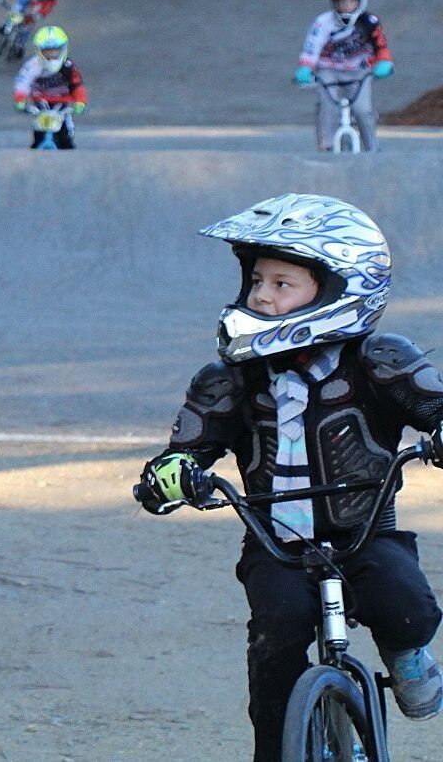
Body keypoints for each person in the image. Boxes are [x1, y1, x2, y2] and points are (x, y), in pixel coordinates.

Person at [136, 193, 443, 762]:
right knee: (276, 636)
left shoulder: (380, 362)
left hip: (364, 533)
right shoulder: (232, 378)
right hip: (276, 545)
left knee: (404, 601)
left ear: (339, 290)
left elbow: (435, 406)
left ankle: (408, 655)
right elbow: (188, 448)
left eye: (283, 284)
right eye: (257, 280)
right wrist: (174, 474)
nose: (260, 295)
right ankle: (280, 746)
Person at [295, 0, 395, 152]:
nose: (345, 6)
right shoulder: (323, 23)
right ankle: (326, 145)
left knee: (362, 109)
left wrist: (384, 62)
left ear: (361, 1)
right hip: (329, 70)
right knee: (328, 107)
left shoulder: (369, 23)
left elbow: (381, 46)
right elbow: (312, 47)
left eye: (351, 1)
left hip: (359, 71)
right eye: (340, 1)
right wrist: (306, 67)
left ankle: (372, 146)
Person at [13, 25, 86, 150]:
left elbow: (76, 85)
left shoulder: (68, 66)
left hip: (61, 103)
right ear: (39, 50)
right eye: (47, 51)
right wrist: (20, 99)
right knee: (39, 132)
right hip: (41, 102)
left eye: (55, 50)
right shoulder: (32, 65)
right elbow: (23, 83)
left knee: (66, 135)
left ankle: (67, 154)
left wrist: (80, 101)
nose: (52, 54)